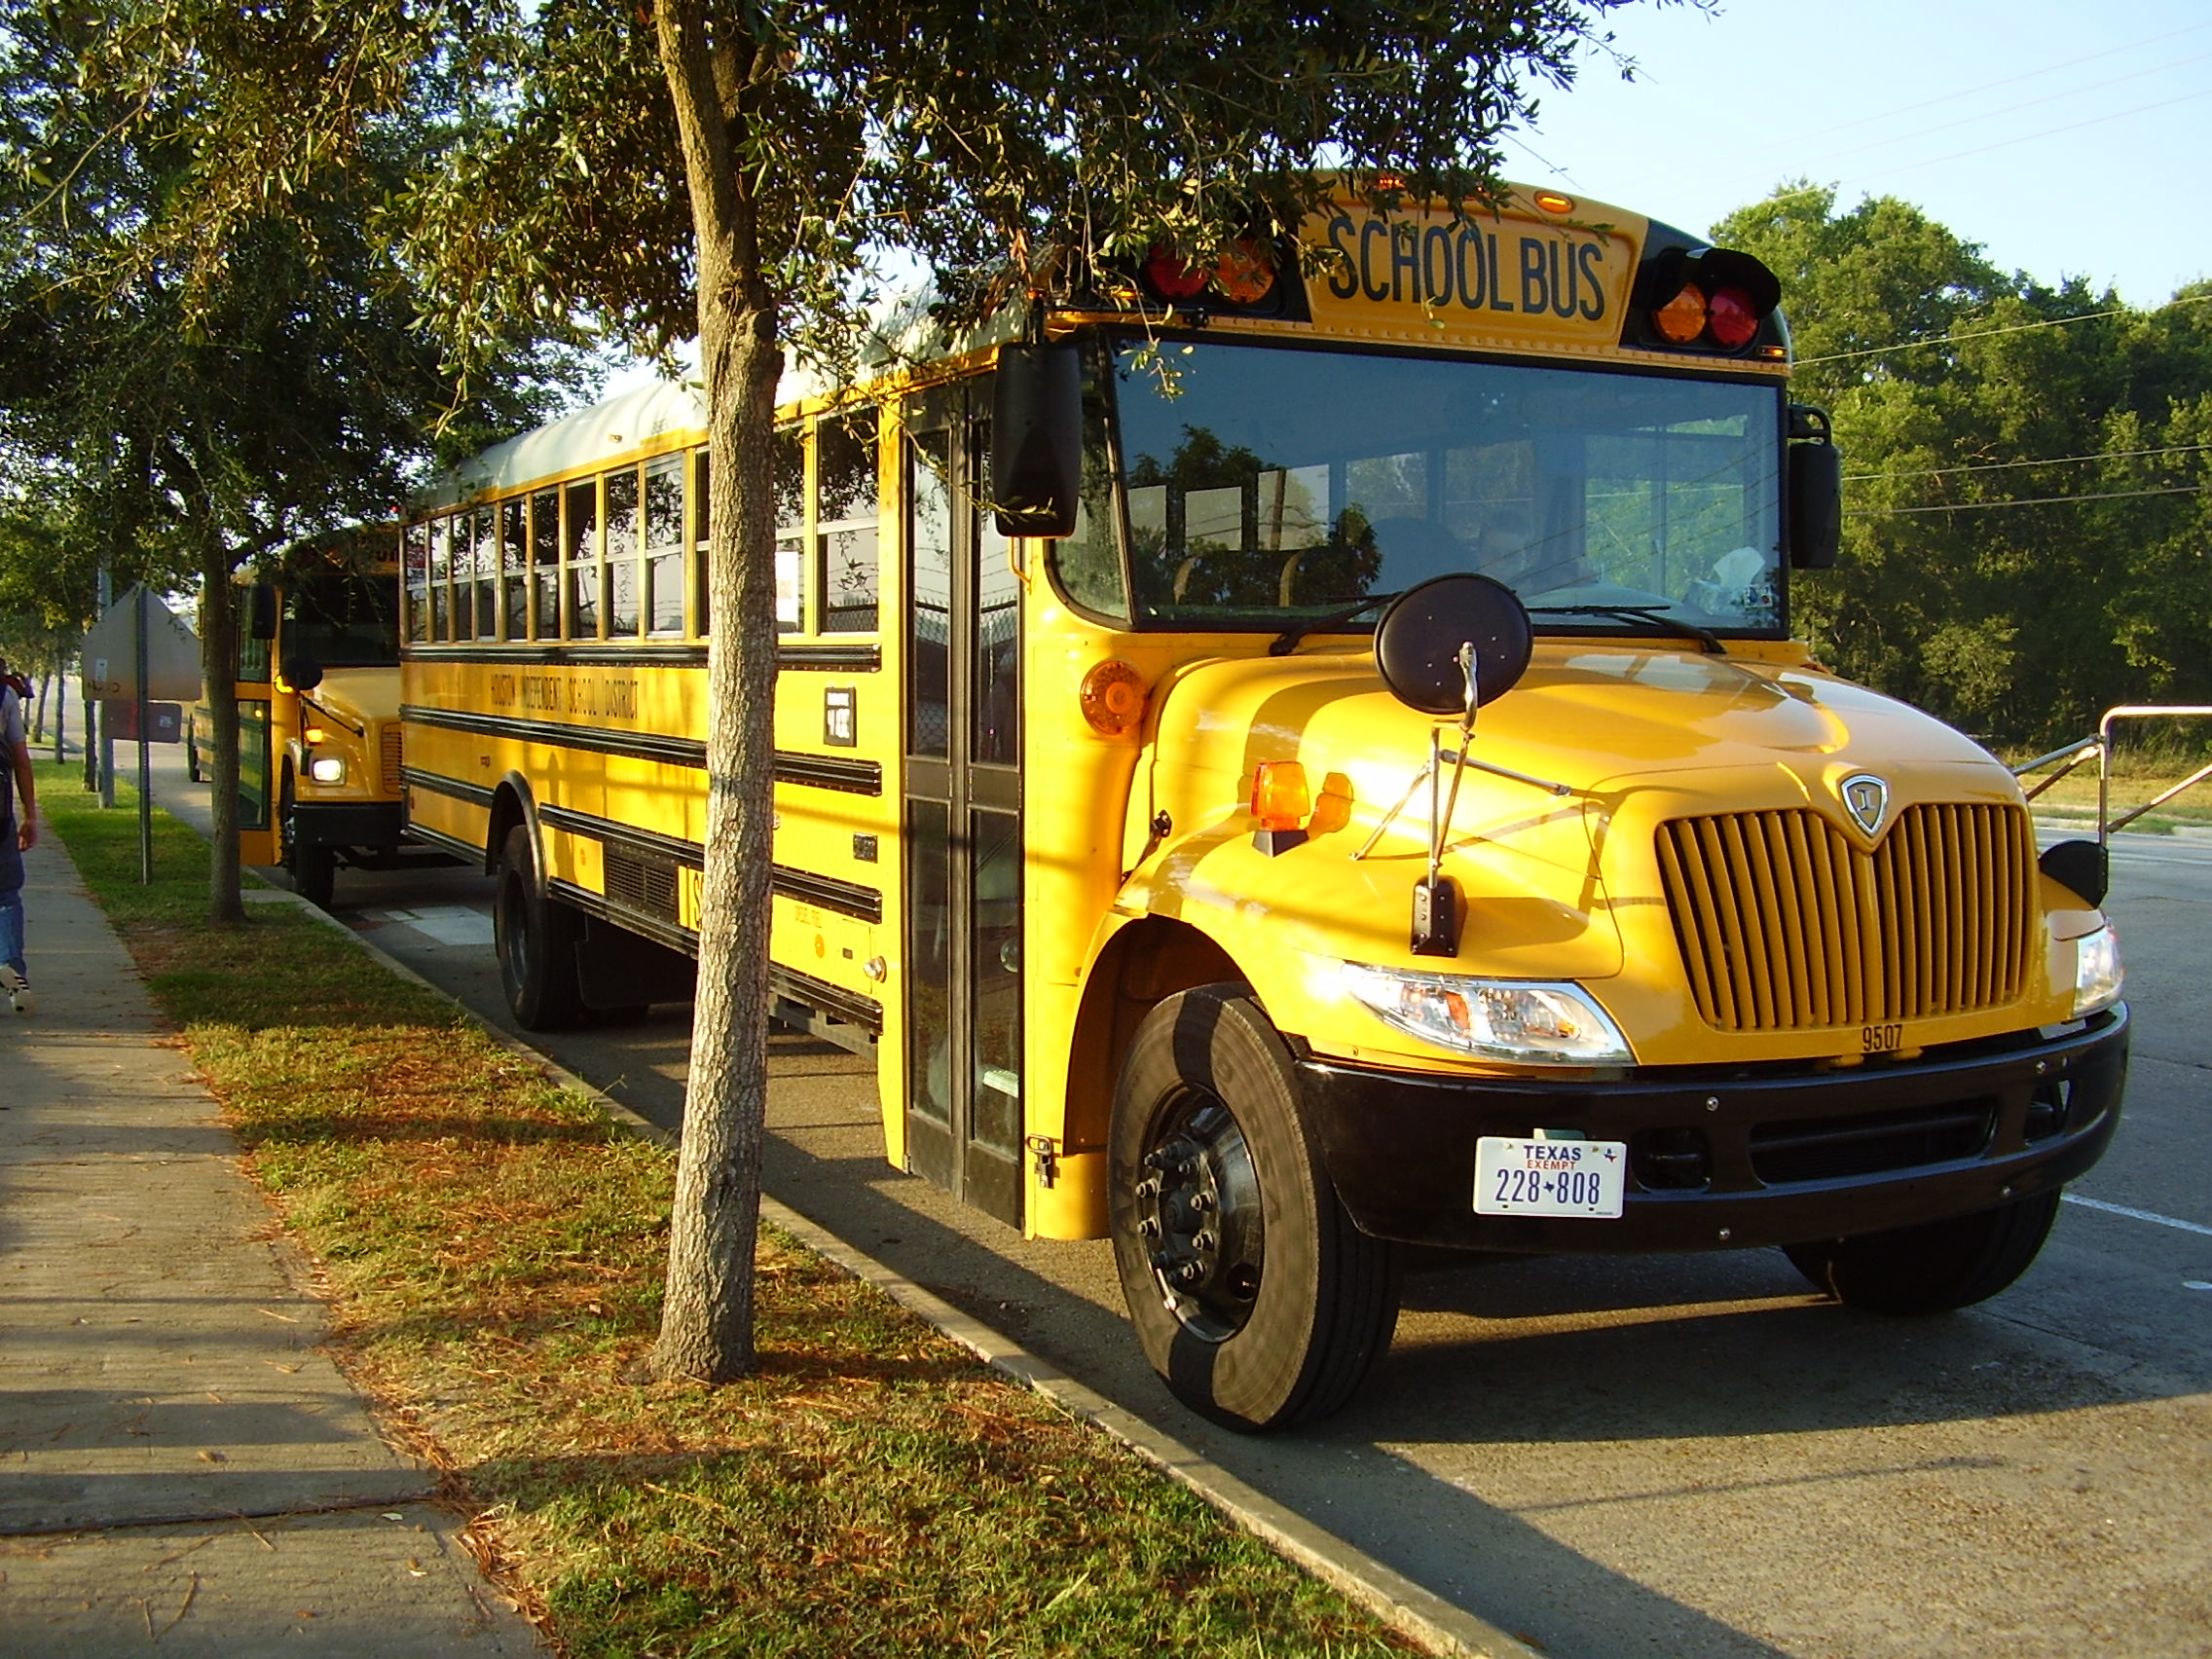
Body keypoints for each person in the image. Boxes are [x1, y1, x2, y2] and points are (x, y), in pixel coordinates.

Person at [0, 654, 36, 1014]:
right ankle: (11, 967)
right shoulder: (5, 695)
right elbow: (21, 760)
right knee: (5, 895)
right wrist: (30, 815)